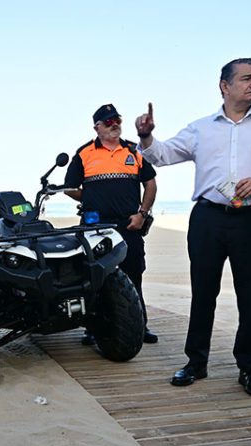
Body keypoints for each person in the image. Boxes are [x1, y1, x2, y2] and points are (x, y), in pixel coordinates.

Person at [135, 58, 251, 397]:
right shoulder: (201, 128)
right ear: (224, 86)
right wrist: (147, 135)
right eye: (245, 78)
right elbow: (163, 155)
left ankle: (249, 368)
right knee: (203, 293)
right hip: (208, 219)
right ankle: (196, 362)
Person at [64, 104, 159, 345]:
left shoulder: (133, 150)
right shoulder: (84, 153)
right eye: (108, 122)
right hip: (94, 229)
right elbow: (69, 188)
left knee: (133, 275)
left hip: (129, 226)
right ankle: (93, 329)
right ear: (97, 127)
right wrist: (90, 198)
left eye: (117, 119)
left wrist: (142, 214)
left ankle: (140, 325)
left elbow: (150, 183)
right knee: (94, 278)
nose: (114, 124)